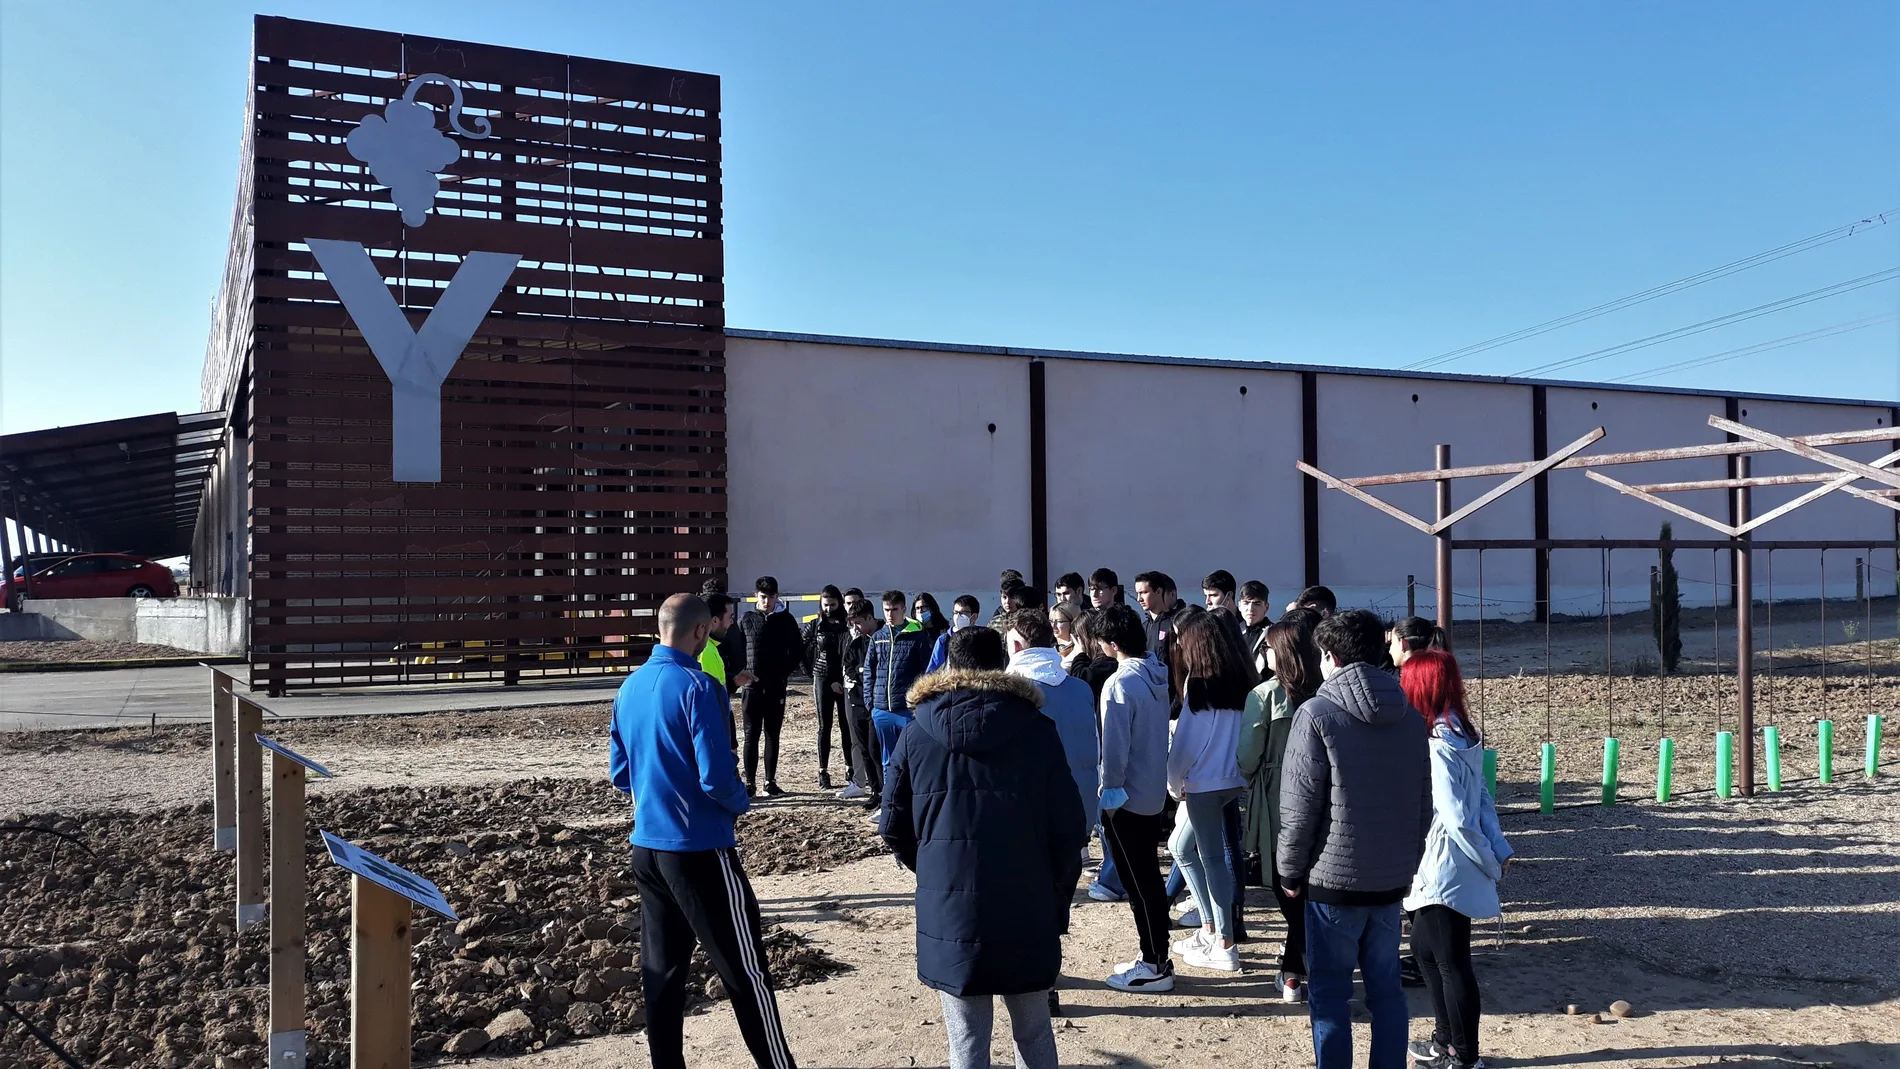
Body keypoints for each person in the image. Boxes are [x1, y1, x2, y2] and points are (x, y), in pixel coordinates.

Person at [882, 626, 1087, 1069]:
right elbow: (1070, 826)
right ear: (1002, 665)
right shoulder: (1037, 729)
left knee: (967, 1043)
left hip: (950, 905)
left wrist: (933, 867)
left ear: (950, 665)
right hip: (1026, 899)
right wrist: (1054, 883)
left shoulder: (917, 733)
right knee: (1033, 1032)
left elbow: (892, 824)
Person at [609, 594, 797, 1069]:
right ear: (699, 632)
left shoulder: (629, 686)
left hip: (647, 846)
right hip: (699, 848)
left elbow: (619, 772)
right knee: (746, 972)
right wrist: (740, 802)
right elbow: (716, 776)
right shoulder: (699, 686)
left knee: (662, 974)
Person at [1278, 609, 1429, 1069]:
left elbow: (1299, 807)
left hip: (1332, 882)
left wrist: (1288, 870)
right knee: (1387, 991)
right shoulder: (1408, 713)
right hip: (1389, 882)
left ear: (1329, 656)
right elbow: (1423, 802)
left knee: (1328, 996)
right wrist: (1408, 863)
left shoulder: (1316, 714)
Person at [1401, 650, 1513, 1069]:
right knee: (1426, 951)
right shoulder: (1459, 729)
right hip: (1451, 859)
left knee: (1450, 961)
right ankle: (1445, 1040)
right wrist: (1498, 849)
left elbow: (1457, 815)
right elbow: (1483, 797)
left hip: (1444, 863)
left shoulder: (1437, 742)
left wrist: (1489, 858)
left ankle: (1464, 1057)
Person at [1002, 607, 1101, 1017]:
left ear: (1019, 645)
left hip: (1026, 816)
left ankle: (1041, 984)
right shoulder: (1079, 689)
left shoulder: (1011, 690)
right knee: (1057, 897)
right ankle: (1048, 972)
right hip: (1077, 813)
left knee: (1025, 902)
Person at [1239, 613, 1323, 1003]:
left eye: (1269, 646)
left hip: (1276, 793)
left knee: (1282, 880)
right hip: (1322, 794)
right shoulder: (1325, 692)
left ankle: (1293, 970)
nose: (1264, 652)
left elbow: (1247, 757)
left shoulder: (1264, 695)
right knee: (1309, 882)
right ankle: (1299, 963)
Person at [1164, 610, 1254, 974]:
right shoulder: (1242, 681)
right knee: (1179, 847)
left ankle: (1223, 942)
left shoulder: (1199, 686)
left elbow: (1184, 746)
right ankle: (1210, 929)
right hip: (1232, 780)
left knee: (1210, 858)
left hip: (1202, 783)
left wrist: (1173, 786)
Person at [1094, 603, 1176, 993]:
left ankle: (1155, 962)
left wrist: (1108, 793)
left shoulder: (1119, 684)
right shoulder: (1157, 674)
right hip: (1153, 791)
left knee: (1139, 883)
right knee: (1149, 880)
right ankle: (1155, 954)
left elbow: (1115, 749)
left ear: (1112, 643)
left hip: (1126, 797)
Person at [738, 576, 804, 797]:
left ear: (777, 596)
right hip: (751, 688)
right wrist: (742, 674)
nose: (767, 601)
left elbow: (797, 651)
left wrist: (782, 673)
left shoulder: (786, 620)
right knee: (750, 735)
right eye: (763, 597)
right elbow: (738, 649)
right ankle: (750, 783)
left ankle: (770, 781)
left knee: (772, 735)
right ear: (756, 595)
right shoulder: (746, 619)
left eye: (772, 597)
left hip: (776, 687)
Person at [863, 589, 934, 794]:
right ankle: (890, 801)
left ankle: (912, 801)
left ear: (903, 609)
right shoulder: (878, 637)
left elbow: (925, 672)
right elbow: (869, 672)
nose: (890, 614)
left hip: (906, 711)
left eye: (894, 609)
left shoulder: (917, 636)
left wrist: (918, 704)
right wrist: (871, 704)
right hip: (881, 709)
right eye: (886, 609)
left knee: (911, 759)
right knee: (887, 761)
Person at [802, 585, 853, 790]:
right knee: (825, 726)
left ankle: (850, 767)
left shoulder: (846, 625)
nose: (830, 608)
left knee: (846, 725)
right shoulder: (815, 625)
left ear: (839, 603)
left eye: (833, 604)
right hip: (822, 678)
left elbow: (848, 654)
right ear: (821, 605)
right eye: (826, 605)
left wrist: (840, 677)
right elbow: (801, 649)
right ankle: (823, 771)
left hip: (842, 678)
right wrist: (810, 672)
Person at [839, 598, 883, 804]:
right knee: (864, 748)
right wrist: (861, 672)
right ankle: (875, 791)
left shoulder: (885, 638)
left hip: (878, 704)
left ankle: (884, 791)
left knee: (877, 750)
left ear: (869, 618)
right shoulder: (857, 643)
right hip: (857, 702)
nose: (855, 628)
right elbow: (849, 666)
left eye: (858, 623)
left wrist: (864, 672)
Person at [700, 592, 754, 749]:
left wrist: (734, 682)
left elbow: (717, 688)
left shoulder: (712, 647)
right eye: (730, 617)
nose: (732, 622)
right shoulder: (707, 652)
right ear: (715, 620)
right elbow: (710, 699)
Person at [1134, 571, 1189, 673]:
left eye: (1144, 592)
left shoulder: (1177, 624)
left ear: (1158, 591)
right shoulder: (1143, 627)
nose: (1139, 599)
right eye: (1137, 593)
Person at [927, 594, 983, 674]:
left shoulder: (982, 638)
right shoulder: (944, 640)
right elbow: (932, 672)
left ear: (974, 616)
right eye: (956, 612)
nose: (958, 616)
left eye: (963, 613)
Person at [1238, 580, 1273, 670]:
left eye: (1257, 604)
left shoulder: (1273, 633)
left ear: (1266, 607)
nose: (1250, 608)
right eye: (1246, 603)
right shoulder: (1233, 631)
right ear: (1239, 606)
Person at [1050, 600, 1083, 668]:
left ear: (1073, 622)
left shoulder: (1080, 648)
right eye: (1051, 621)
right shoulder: (1049, 646)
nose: (1053, 625)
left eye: (1059, 621)